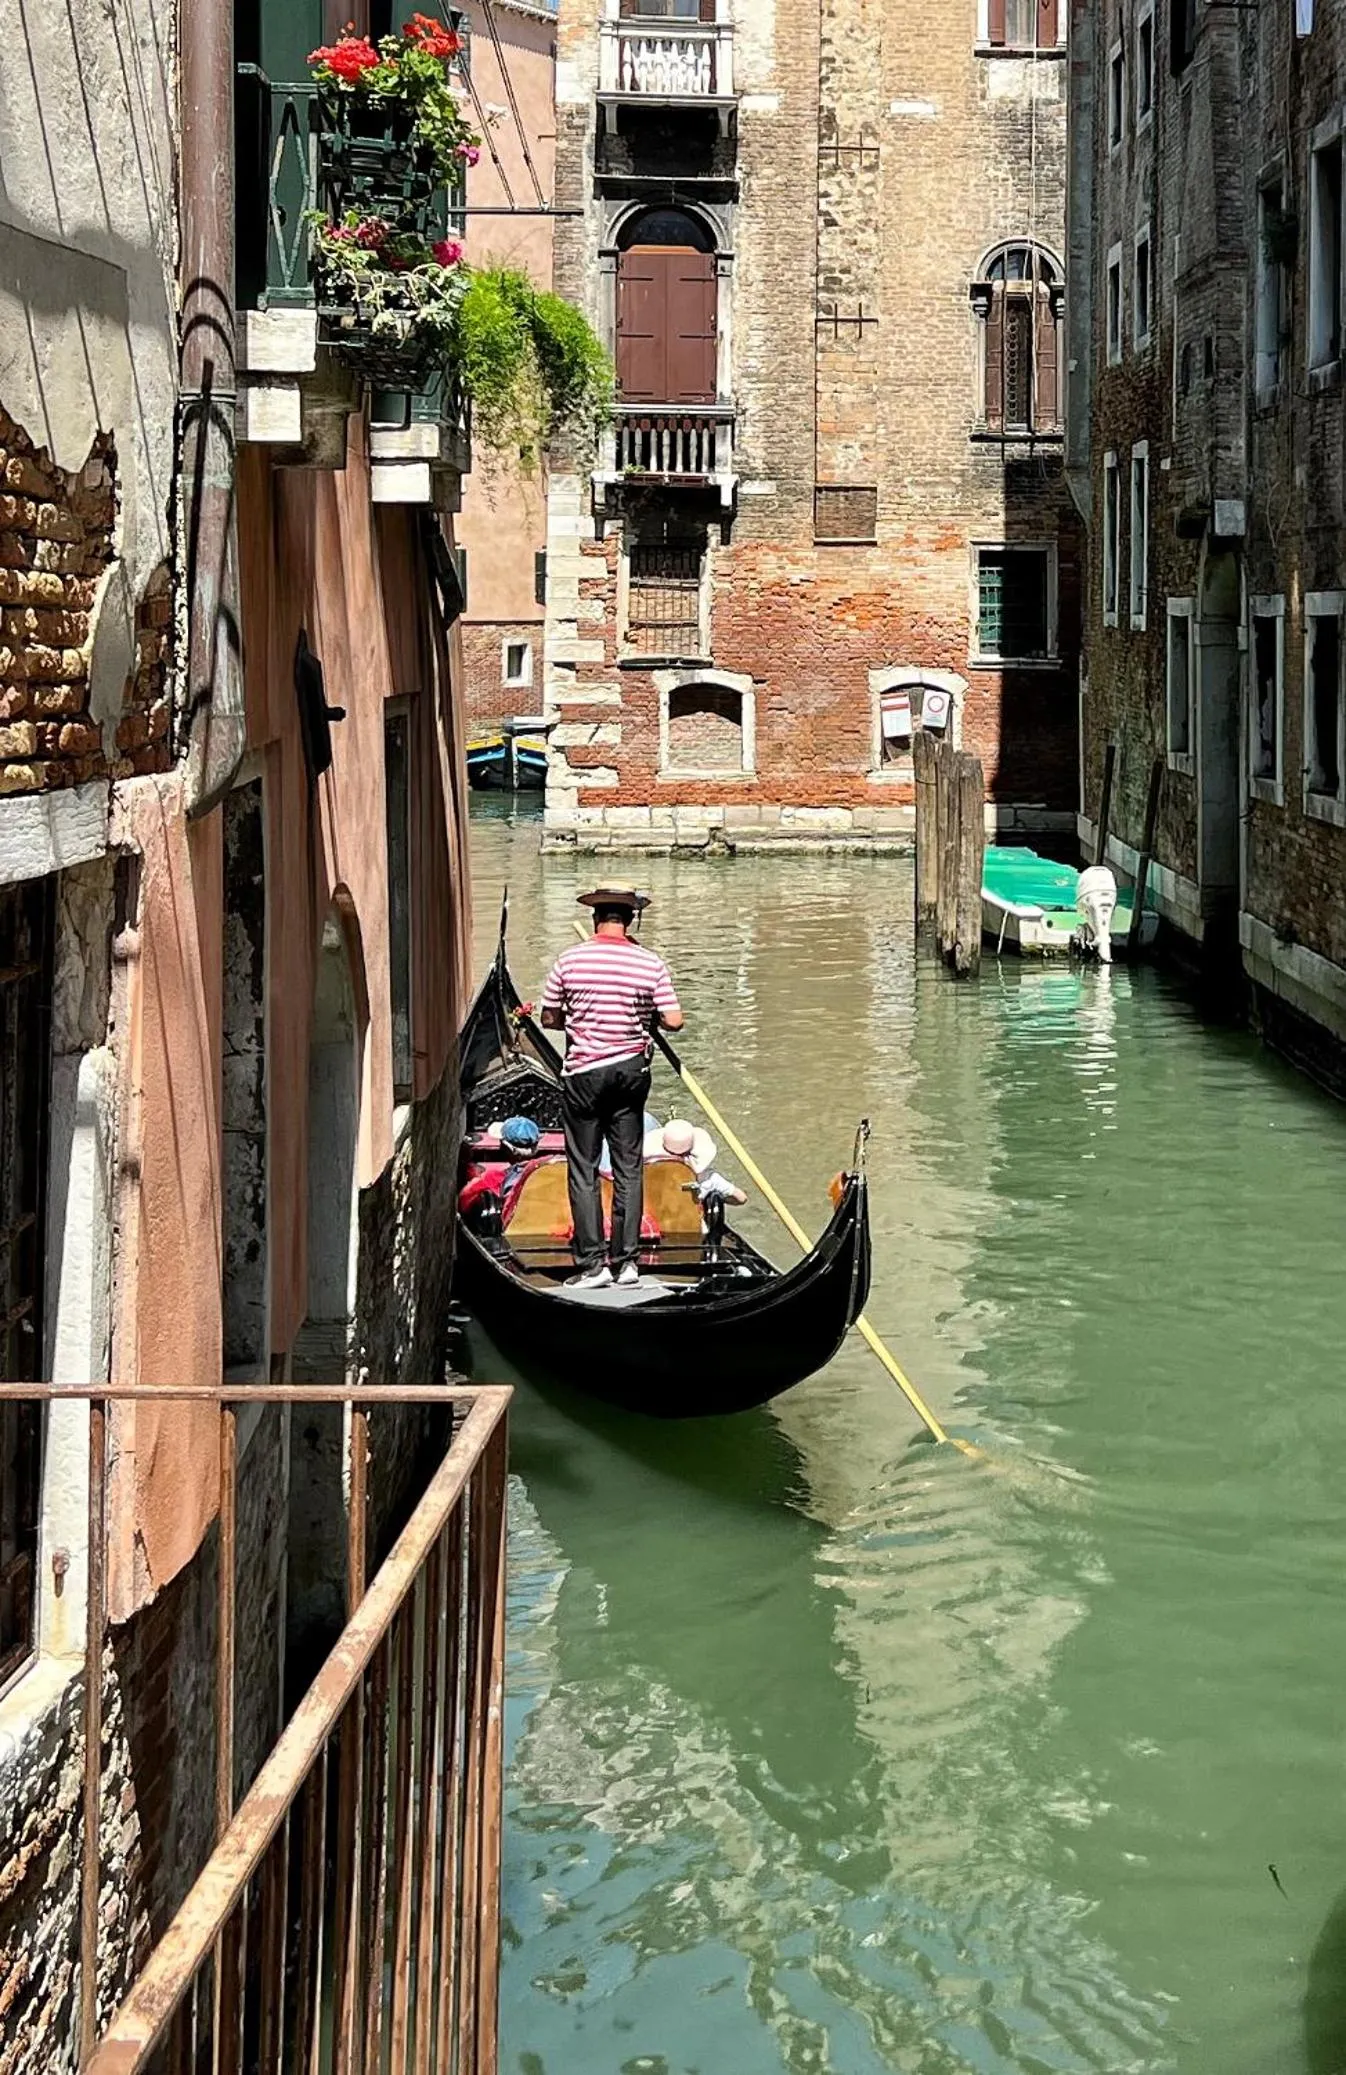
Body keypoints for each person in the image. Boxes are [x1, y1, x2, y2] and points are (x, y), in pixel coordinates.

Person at [540, 885, 683, 1288]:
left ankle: (592, 1266)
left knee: (583, 1169)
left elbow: (549, 1018)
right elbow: (674, 1020)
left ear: (595, 919)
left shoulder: (569, 960)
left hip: (584, 1074)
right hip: (630, 1073)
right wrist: (646, 1014)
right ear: (631, 920)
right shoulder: (649, 963)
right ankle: (627, 1263)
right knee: (628, 1169)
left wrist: (576, 1017)